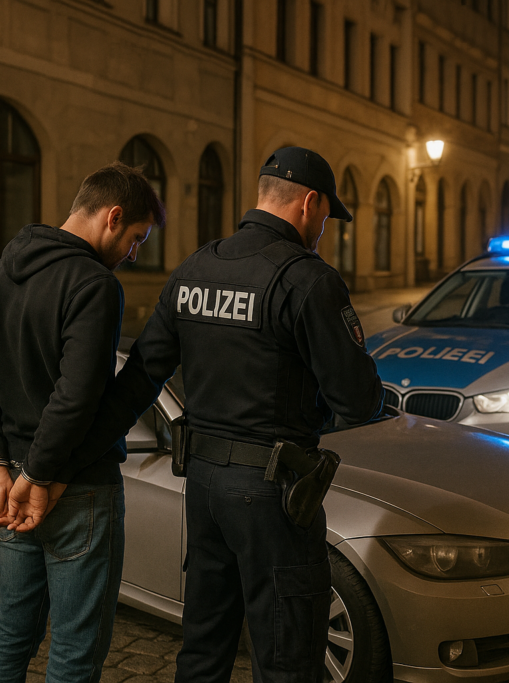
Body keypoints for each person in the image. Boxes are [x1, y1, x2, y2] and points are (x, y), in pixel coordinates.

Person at [78, 146, 383, 683]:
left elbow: (141, 376)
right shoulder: (307, 279)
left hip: (203, 488)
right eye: (325, 219)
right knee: (287, 657)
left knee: (203, 652)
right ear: (310, 204)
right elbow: (358, 401)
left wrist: (74, 457)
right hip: (275, 493)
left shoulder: (195, 267)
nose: (322, 231)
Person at [0, 161, 164, 682]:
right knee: (74, 651)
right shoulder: (93, 285)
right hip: (75, 490)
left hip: (14, 485)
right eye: (137, 238)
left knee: (11, 633)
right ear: (112, 217)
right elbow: (76, 397)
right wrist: (39, 477)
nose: (134, 254)